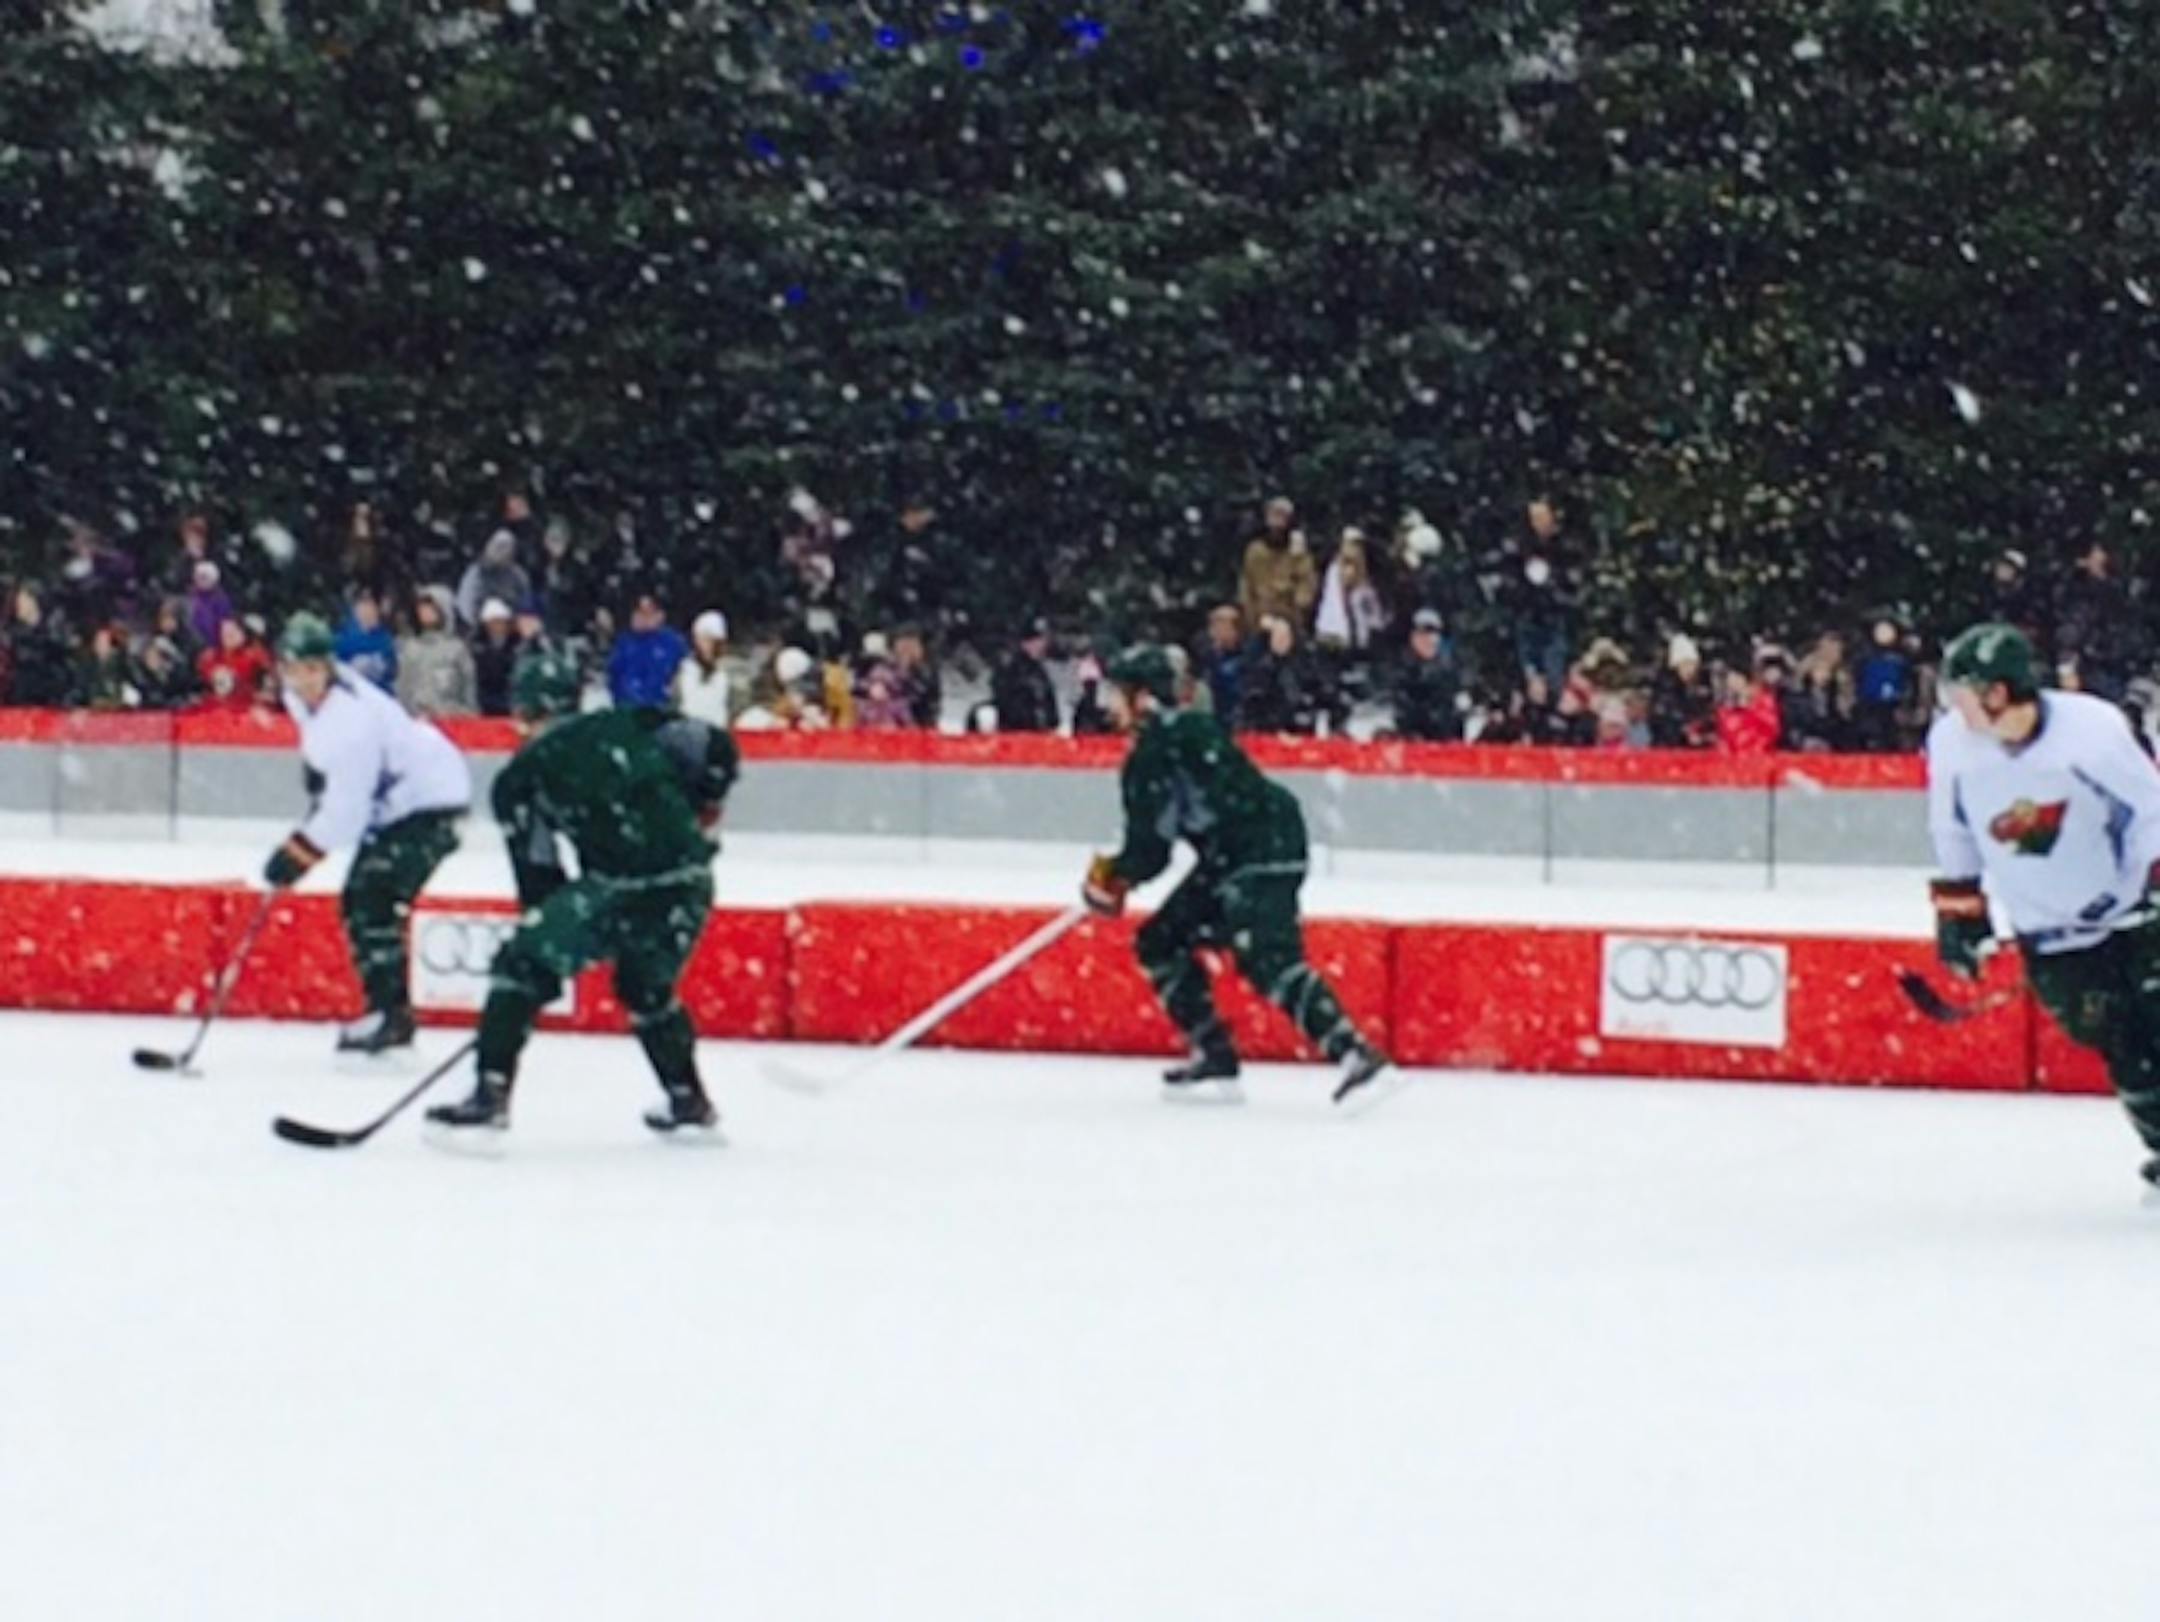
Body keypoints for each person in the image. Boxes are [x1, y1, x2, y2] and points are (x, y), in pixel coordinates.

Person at [425, 658, 740, 1137]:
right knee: (646, 988)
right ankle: (687, 1098)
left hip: (618, 884)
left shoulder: (520, 779)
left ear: (523, 714)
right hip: (690, 879)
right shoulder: (636, 720)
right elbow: (715, 749)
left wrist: (538, 966)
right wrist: (699, 809)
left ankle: (490, 1091)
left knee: (519, 963)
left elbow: (539, 872)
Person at [1080, 646, 1395, 1110]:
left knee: (1266, 955)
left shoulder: (1152, 753)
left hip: (1258, 851)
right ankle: (1215, 1058)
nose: (1108, 705)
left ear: (1143, 699)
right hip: (1239, 851)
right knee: (1162, 939)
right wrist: (1123, 874)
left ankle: (1356, 1055)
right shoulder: (1188, 730)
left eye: (1116, 693)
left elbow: (1152, 849)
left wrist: (1115, 877)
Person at [1926, 622, 2160, 1190]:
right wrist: (1961, 912)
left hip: (2135, 918)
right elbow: (1952, 828)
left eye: (1964, 692)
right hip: (2050, 933)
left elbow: (2150, 811)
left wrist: (2150, 884)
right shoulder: (1953, 745)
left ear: (1999, 692)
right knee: (2120, 1047)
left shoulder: (2091, 732)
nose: (1955, 707)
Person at [263, 613, 472, 1056]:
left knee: (372, 895)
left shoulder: (349, 719)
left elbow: (347, 812)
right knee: (365, 899)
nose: (302, 680)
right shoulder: (304, 701)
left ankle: (391, 1016)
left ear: (328, 667)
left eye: (312, 669)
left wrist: (298, 853)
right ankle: (388, 1011)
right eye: (293, 668)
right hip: (399, 804)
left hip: (428, 803)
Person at [395, 586, 478, 718]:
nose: (425, 613)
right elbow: (403, 691)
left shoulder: (457, 649)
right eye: (422, 608)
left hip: (451, 722)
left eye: (431, 608)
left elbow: (469, 694)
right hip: (418, 724)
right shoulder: (411, 648)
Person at [607, 592, 690, 709]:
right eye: (639, 612)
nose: (642, 618)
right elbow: (613, 676)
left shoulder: (673, 642)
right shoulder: (624, 643)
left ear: (660, 615)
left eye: (648, 613)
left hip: (661, 710)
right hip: (627, 709)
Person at [1391, 609, 1461, 741]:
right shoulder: (1403, 669)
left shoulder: (1449, 666)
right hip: (1415, 740)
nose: (1431, 640)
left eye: (1434, 635)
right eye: (1423, 635)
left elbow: (1453, 703)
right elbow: (1403, 708)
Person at [992, 618, 1060, 732]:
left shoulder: (1040, 672)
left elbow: (1050, 705)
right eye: (1036, 641)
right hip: (1016, 736)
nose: (1041, 646)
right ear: (1025, 643)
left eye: (1042, 641)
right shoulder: (1010, 670)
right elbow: (1007, 706)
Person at [333, 589, 398, 693]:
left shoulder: (386, 638)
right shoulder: (343, 638)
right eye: (363, 605)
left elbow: (392, 670)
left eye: (371, 606)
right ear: (355, 609)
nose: (367, 610)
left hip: (381, 695)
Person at [471, 597, 521, 717]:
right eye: (493, 622)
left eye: (501, 621)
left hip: (510, 704)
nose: (497, 626)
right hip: (484, 705)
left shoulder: (517, 645)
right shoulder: (475, 648)